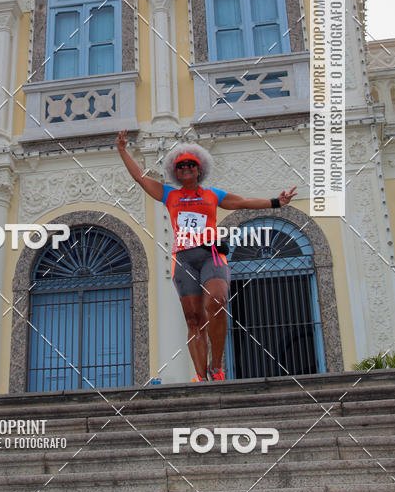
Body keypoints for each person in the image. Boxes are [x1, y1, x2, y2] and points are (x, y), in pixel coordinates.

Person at [115, 131, 296, 383]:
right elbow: (140, 177)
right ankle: (201, 377)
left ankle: (217, 365)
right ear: (175, 172)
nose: (186, 168)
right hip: (184, 259)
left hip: (211, 254)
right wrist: (124, 150)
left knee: (218, 301)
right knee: (193, 318)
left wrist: (276, 202)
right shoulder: (170, 195)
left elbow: (243, 202)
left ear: (199, 170)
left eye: (191, 164)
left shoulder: (212, 195)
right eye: (181, 166)